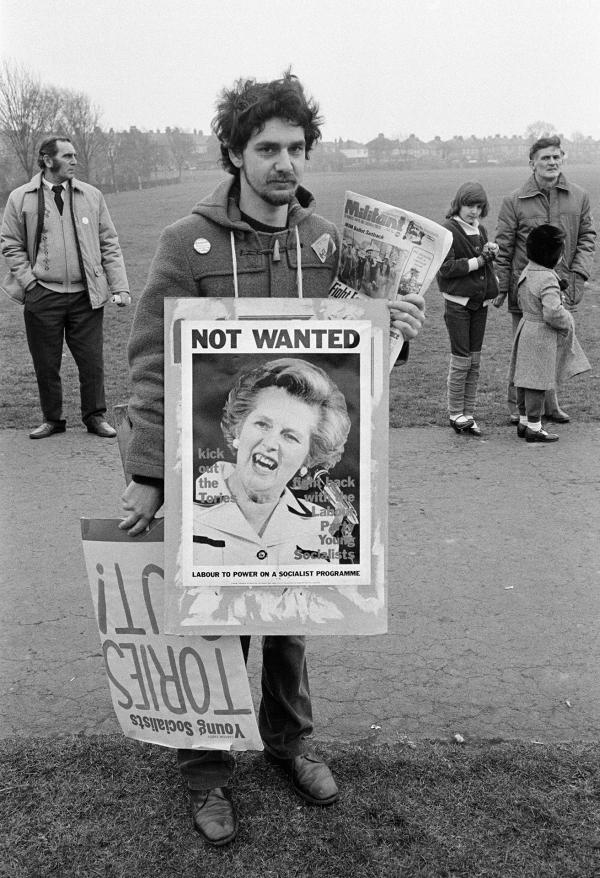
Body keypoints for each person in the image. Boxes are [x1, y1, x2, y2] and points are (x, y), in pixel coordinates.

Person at [118, 72, 425, 847]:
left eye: (295, 147)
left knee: (291, 621)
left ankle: (289, 743)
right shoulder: (185, 243)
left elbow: (362, 365)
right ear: (234, 151)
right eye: (266, 148)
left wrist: (399, 327)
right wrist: (150, 473)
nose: (284, 163)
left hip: (294, 482)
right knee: (212, 622)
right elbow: (153, 363)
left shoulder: (331, 247)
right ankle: (207, 773)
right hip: (212, 477)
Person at [0, 136, 130, 439]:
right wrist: (30, 283)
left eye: (74, 156)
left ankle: (95, 417)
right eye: (68, 156)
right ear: (47, 160)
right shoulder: (21, 197)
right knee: (46, 363)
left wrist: (119, 286)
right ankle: (53, 419)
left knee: (92, 361)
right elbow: (10, 244)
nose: (75, 161)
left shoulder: (92, 195)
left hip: (86, 295)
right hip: (42, 294)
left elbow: (109, 243)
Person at [192, 358, 351, 566]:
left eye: (290, 436)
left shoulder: (323, 525)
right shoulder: (182, 504)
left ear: (308, 458)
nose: (270, 443)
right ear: (239, 428)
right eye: (262, 424)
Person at [494, 135, 596, 424]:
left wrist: (578, 274)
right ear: (532, 164)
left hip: (563, 286)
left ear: (562, 158)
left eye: (556, 157)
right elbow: (504, 247)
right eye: (545, 158)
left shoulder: (579, 196)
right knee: (526, 353)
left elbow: (588, 237)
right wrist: (502, 287)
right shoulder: (513, 201)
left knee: (554, 349)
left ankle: (550, 405)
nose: (552, 162)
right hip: (526, 291)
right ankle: (518, 408)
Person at [508, 225, 590, 443]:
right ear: (553, 254)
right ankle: (535, 427)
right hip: (540, 336)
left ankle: (524, 422)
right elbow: (552, 312)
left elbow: (522, 297)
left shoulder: (528, 270)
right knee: (537, 382)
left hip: (525, 328)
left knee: (524, 380)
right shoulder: (547, 279)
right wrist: (568, 321)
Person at [437, 182, 499, 436]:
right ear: (458, 204)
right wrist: (479, 260)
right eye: (469, 205)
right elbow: (447, 268)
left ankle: (468, 412)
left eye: (478, 206)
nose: (473, 211)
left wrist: (490, 254)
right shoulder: (448, 230)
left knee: (474, 361)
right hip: (458, 305)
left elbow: (483, 265)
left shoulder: (480, 229)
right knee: (461, 360)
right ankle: (455, 413)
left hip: (479, 303)